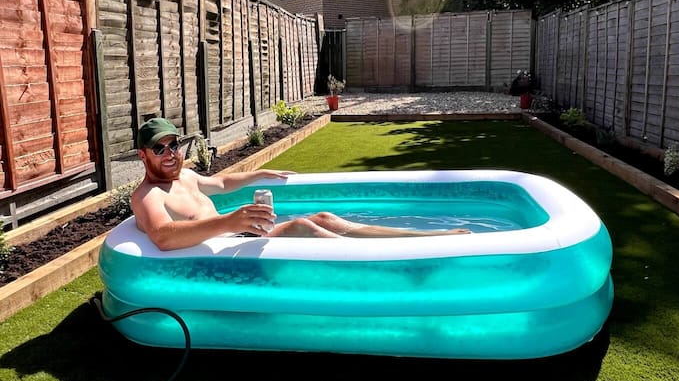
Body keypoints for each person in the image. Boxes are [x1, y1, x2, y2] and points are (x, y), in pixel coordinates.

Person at [131, 118, 470, 251]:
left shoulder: (186, 176)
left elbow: (220, 183)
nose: (170, 154)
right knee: (302, 227)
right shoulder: (148, 196)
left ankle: (425, 238)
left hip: (233, 239)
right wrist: (230, 221)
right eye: (160, 149)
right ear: (143, 155)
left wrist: (260, 174)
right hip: (220, 256)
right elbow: (163, 236)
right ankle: (384, 259)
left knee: (323, 217)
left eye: (174, 145)